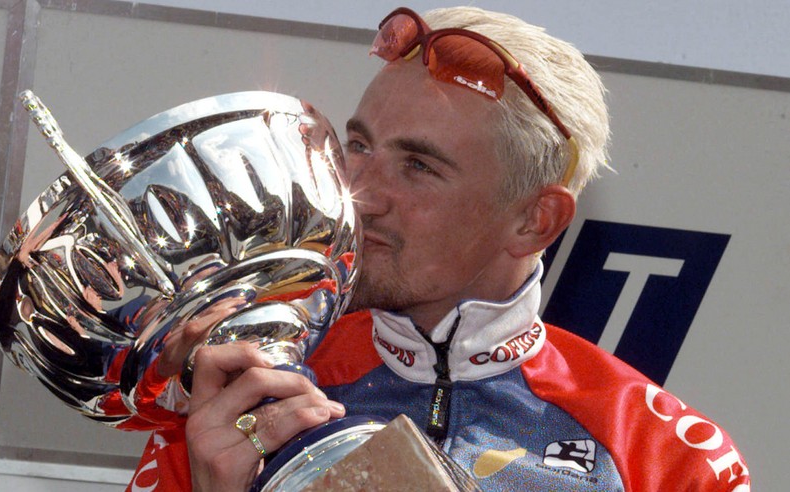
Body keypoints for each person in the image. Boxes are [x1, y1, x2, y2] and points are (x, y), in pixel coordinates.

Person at [128, 6, 750, 491]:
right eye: (360, 146)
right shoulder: (248, 391)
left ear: (535, 222)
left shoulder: (659, 455)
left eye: (419, 166)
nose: (360, 194)